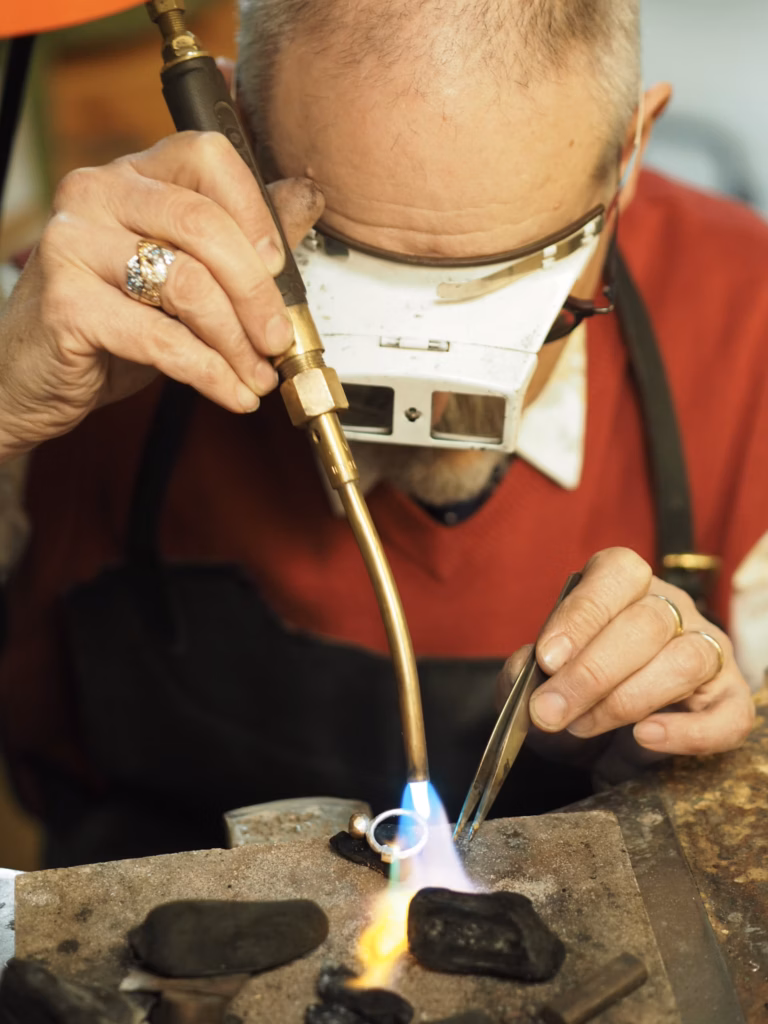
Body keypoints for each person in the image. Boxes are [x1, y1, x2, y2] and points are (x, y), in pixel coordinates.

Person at [0, 0, 763, 866]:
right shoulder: (64, 323)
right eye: (351, 266)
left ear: (630, 149)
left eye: (509, 288)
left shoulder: (749, 324)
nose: (427, 373)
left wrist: (684, 751)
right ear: (230, 138)